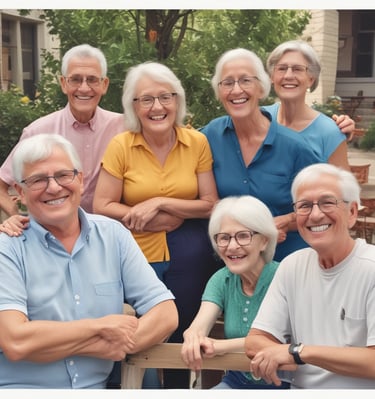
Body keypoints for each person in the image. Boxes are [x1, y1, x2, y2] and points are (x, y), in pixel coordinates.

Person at [0, 133, 178, 389]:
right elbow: (16, 342)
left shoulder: (114, 235)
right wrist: (101, 327)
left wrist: (109, 344)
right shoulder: (8, 248)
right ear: (21, 192)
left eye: (63, 175)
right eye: (38, 179)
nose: (53, 187)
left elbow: (165, 313)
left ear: (80, 180)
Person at [93, 61, 220, 388]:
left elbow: (210, 204)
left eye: (165, 97)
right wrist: (144, 217)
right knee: (140, 337)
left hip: (188, 258)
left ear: (177, 101)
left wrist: (159, 203)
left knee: (182, 337)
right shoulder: (122, 145)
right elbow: (101, 206)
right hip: (134, 255)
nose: (157, 107)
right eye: (146, 99)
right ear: (133, 107)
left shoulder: (196, 142)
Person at [245, 163, 375, 389]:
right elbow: (254, 341)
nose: (315, 215)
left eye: (327, 202)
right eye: (304, 206)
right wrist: (291, 353)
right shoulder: (292, 266)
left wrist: (298, 352)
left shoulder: (370, 268)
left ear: (352, 212)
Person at [200, 48, 320, 262]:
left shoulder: (295, 147)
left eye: (246, 80)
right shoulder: (209, 136)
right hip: (231, 266)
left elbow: (320, 206)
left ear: (261, 87)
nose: (236, 90)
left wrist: (282, 222)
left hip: (286, 262)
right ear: (219, 92)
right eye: (227, 83)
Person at [0, 43, 126, 228]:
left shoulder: (123, 127)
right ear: (63, 83)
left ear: (104, 84)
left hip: (109, 237)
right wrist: (14, 215)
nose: (84, 88)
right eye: (75, 79)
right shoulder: (38, 132)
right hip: (51, 237)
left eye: (92, 79)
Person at [181, 195, 289, 389]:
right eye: (224, 237)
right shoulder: (221, 279)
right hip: (236, 382)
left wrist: (219, 346)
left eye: (243, 236)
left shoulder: (284, 276)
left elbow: (277, 339)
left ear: (264, 241)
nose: (232, 246)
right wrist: (192, 336)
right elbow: (199, 326)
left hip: (284, 384)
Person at [263, 39, 351, 169]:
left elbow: (344, 187)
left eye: (297, 69)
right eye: (281, 68)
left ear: (311, 79)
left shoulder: (329, 132)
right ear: (272, 77)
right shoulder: (260, 117)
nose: (288, 75)